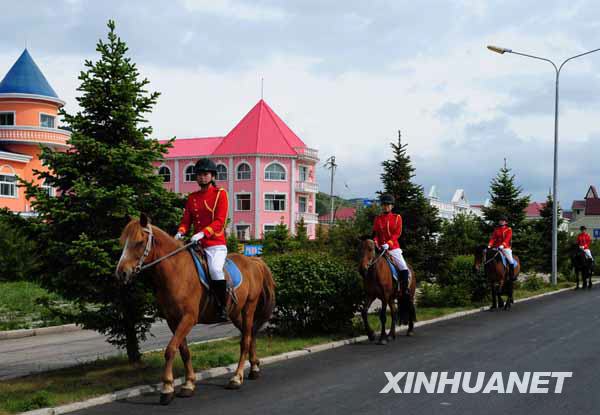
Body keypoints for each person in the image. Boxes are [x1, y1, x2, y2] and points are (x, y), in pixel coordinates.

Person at [175, 158, 229, 322]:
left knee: (215, 270)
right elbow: (186, 221)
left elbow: (220, 221)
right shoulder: (192, 197)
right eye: (199, 175)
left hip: (215, 244)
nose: (202, 178)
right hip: (196, 245)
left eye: (205, 174)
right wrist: (181, 232)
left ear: (212, 176)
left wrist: (203, 233)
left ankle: (222, 307)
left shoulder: (220, 194)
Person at [372, 194, 409, 295]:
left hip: (393, 248)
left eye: (388, 205)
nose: (385, 206)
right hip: (379, 248)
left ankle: (404, 290)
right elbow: (375, 234)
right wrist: (376, 242)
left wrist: (389, 244)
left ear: (392, 206)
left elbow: (397, 233)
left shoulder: (397, 218)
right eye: (384, 204)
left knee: (403, 266)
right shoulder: (377, 219)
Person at [487, 215, 516, 280]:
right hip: (496, 247)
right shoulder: (496, 230)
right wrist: (490, 245)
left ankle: (511, 275)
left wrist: (503, 245)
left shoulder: (509, 229)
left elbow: (508, 238)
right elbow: (493, 238)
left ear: (506, 222)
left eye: (503, 221)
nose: (501, 222)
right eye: (500, 220)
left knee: (511, 261)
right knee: (488, 257)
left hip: (505, 248)